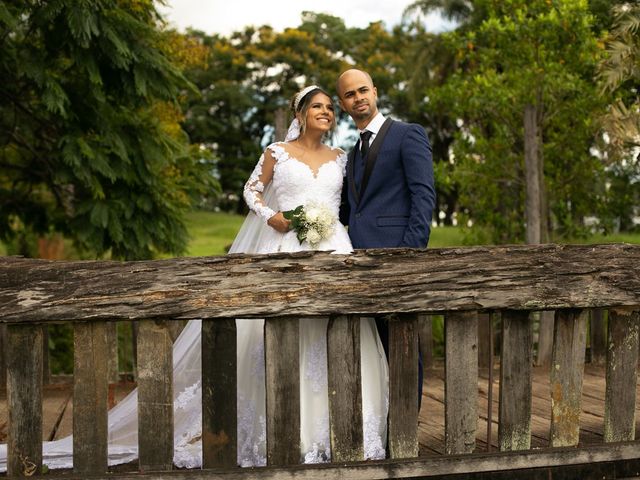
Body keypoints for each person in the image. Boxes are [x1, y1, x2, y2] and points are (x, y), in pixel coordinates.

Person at [0, 85, 389, 473]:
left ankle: (341, 433)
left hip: (334, 249)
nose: (325, 112)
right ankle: (279, 432)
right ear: (300, 114)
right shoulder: (276, 152)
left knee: (333, 334)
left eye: (328, 107)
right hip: (284, 249)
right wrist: (271, 216)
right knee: (271, 336)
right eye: (316, 107)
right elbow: (251, 189)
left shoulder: (342, 158)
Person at [336, 69, 436, 405]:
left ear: (375, 92)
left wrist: (409, 255)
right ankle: (383, 424)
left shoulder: (408, 135)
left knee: (403, 346)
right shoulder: (351, 154)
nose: (358, 98)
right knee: (375, 348)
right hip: (359, 263)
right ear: (343, 104)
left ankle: (407, 427)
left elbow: (423, 197)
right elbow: (352, 211)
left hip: (397, 259)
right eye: (350, 95)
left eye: (363, 90)